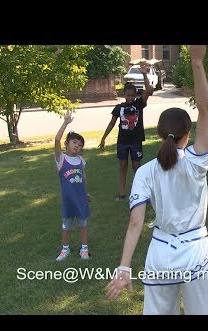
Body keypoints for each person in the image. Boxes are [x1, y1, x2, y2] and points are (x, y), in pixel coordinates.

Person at [106, 45, 208, 315]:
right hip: (195, 253)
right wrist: (197, 63)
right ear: (187, 133)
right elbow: (205, 110)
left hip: (161, 254)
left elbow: (135, 223)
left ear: (158, 133)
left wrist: (124, 267)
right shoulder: (196, 161)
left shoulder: (145, 171)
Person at [99, 64, 153, 201]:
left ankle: (139, 192)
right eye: (128, 95)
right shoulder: (119, 108)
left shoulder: (139, 104)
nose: (130, 97)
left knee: (136, 167)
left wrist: (145, 74)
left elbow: (150, 90)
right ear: (124, 94)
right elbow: (112, 123)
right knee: (122, 166)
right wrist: (103, 138)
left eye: (133, 95)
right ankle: (122, 193)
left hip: (136, 141)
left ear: (136, 95)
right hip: (122, 142)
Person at [54, 111, 91, 261]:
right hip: (68, 199)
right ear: (67, 144)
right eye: (75, 142)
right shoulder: (61, 159)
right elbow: (56, 140)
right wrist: (66, 123)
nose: (77, 146)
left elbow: (83, 177)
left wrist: (86, 193)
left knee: (82, 223)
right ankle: (65, 249)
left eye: (80, 144)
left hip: (81, 198)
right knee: (67, 224)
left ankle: (84, 249)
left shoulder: (81, 160)